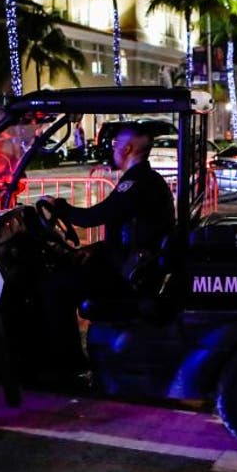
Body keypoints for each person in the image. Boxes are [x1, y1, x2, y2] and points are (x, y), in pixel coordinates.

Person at [40, 123, 176, 383]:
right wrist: (96, 249)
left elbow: (96, 216)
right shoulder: (144, 180)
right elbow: (126, 232)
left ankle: (67, 367)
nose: (112, 149)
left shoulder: (137, 183)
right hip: (130, 263)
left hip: (130, 274)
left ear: (127, 149)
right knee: (66, 273)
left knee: (54, 287)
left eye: (115, 145)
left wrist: (60, 207)